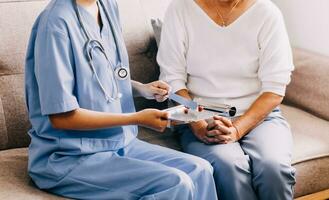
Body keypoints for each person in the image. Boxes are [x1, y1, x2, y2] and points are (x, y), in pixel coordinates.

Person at [24, 0, 218, 199]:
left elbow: (103, 75)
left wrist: (142, 89)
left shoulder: (107, 5)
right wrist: (136, 118)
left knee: (200, 170)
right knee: (176, 183)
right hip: (69, 155)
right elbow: (61, 117)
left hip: (119, 142)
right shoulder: (55, 24)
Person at [157, 0, 296, 199]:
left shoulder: (267, 13)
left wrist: (238, 129)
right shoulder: (180, 8)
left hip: (260, 117)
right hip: (200, 116)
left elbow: (274, 88)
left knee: (273, 167)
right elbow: (172, 79)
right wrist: (197, 124)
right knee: (229, 165)